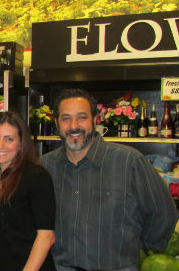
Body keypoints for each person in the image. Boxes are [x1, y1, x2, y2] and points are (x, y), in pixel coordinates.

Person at [41, 89, 179, 271]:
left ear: (95, 119)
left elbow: (163, 214)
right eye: (66, 118)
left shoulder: (129, 161)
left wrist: (136, 249)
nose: (74, 126)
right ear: (57, 123)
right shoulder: (44, 167)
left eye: (81, 117)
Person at [0, 111, 56, 271]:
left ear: (21, 143)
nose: (0, 145)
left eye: (9, 139)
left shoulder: (36, 176)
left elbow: (46, 236)